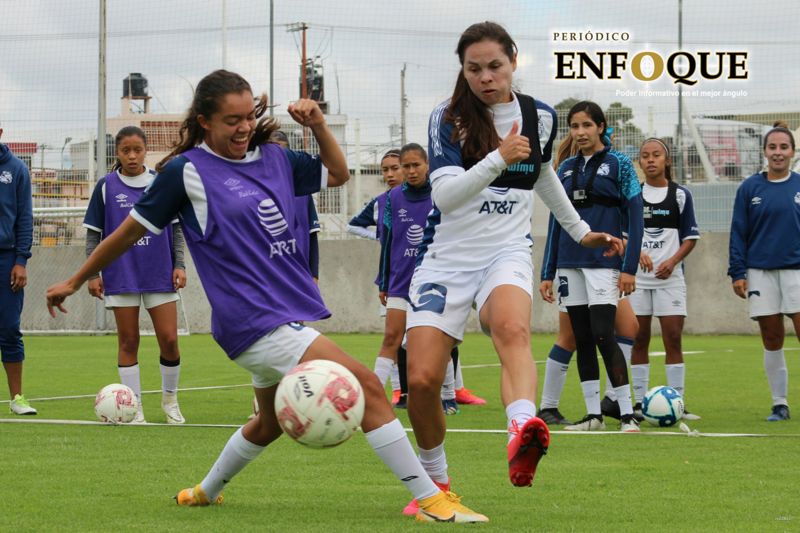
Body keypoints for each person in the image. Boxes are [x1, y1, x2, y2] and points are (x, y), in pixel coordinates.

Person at [47, 69, 486, 523]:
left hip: (282, 315)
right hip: (251, 320)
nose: (242, 129)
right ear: (204, 122)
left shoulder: (275, 158)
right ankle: (432, 500)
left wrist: (316, 125)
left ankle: (204, 491)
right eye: (230, 120)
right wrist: (76, 279)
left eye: (247, 117)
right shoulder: (186, 172)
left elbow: (336, 174)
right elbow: (127, 232)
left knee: (270, 421)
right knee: (367, 385)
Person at [404, 21, 623, 504]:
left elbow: (544, 175)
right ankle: (435, 483)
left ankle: (523, 426)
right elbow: (445, 196)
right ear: (463, 70)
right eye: (474, 68)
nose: (486, 77)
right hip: (446, 259)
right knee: (421, 380)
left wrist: (582, 232)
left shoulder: (539, 117)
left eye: (495, 66)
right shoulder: (449, 118)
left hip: (506, 251)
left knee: (512, 329)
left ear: (513, 62)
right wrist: (498, 158)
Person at [541, 100, 643, 432]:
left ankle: (626, 413)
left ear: (601, 127)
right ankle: (592, 416)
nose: (580, 132)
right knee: (582, 337)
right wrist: (547, 272)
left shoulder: (621, 164)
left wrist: (629, 268)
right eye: (574, 126)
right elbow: (557, 222)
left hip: (604, 263)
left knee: (603, 333)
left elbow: (636, 219)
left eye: (587, 125)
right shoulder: (564, 168)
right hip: (570, 262)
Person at [83, 126, 187, 424]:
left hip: (159, 271)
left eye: (137, 150)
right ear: (117, 152)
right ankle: (134, 406)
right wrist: (92, 274)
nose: (131, 156)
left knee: (169, 339)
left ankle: (170, 401)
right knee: (128, 341)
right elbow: (93, 235)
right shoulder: (105, 186)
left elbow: (177, 228)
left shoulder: (161, 183)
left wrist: (179, 264)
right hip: (121, 272)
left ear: (145, 151)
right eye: (125, 150)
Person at [728, 123, 800, 422]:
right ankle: (779, 403)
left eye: (784, 147)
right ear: (765, 152)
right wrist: (738, 271)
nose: (778, 153)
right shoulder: (749, 188)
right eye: (773, 147)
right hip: (760, 272)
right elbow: (739, 232)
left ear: (793, 152)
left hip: (797, 272)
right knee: (772, 338)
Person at [629, 138, 701, 420]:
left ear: (666, 160)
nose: (650, 160)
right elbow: (624, 233)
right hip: (637, 280)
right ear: (640, 161)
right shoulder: (633, 195)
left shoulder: (680, 195)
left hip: (670, 280)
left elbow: (691, 236)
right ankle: (638, 403)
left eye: (656, 155)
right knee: (638, 339)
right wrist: (637, 253)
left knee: (673, 338)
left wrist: (672, 261)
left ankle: (678, 403)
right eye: (645, 155)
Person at [350, 149, 406, 405]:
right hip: (393, 278)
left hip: (426, 279)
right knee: (395, 339)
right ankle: (396, 390)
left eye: (395, 168)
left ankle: (450, 394)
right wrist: (378, 237)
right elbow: (353, 224)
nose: (390, 174)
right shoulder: (382, 201)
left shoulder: (431, 197)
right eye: (386, 170)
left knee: (438, 339)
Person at [0, 123, 35, 415]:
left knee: (10, 328)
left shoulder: (16, 169)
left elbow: (25, 218)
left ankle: (17, 399)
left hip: (7, 259)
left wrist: (21, 260)